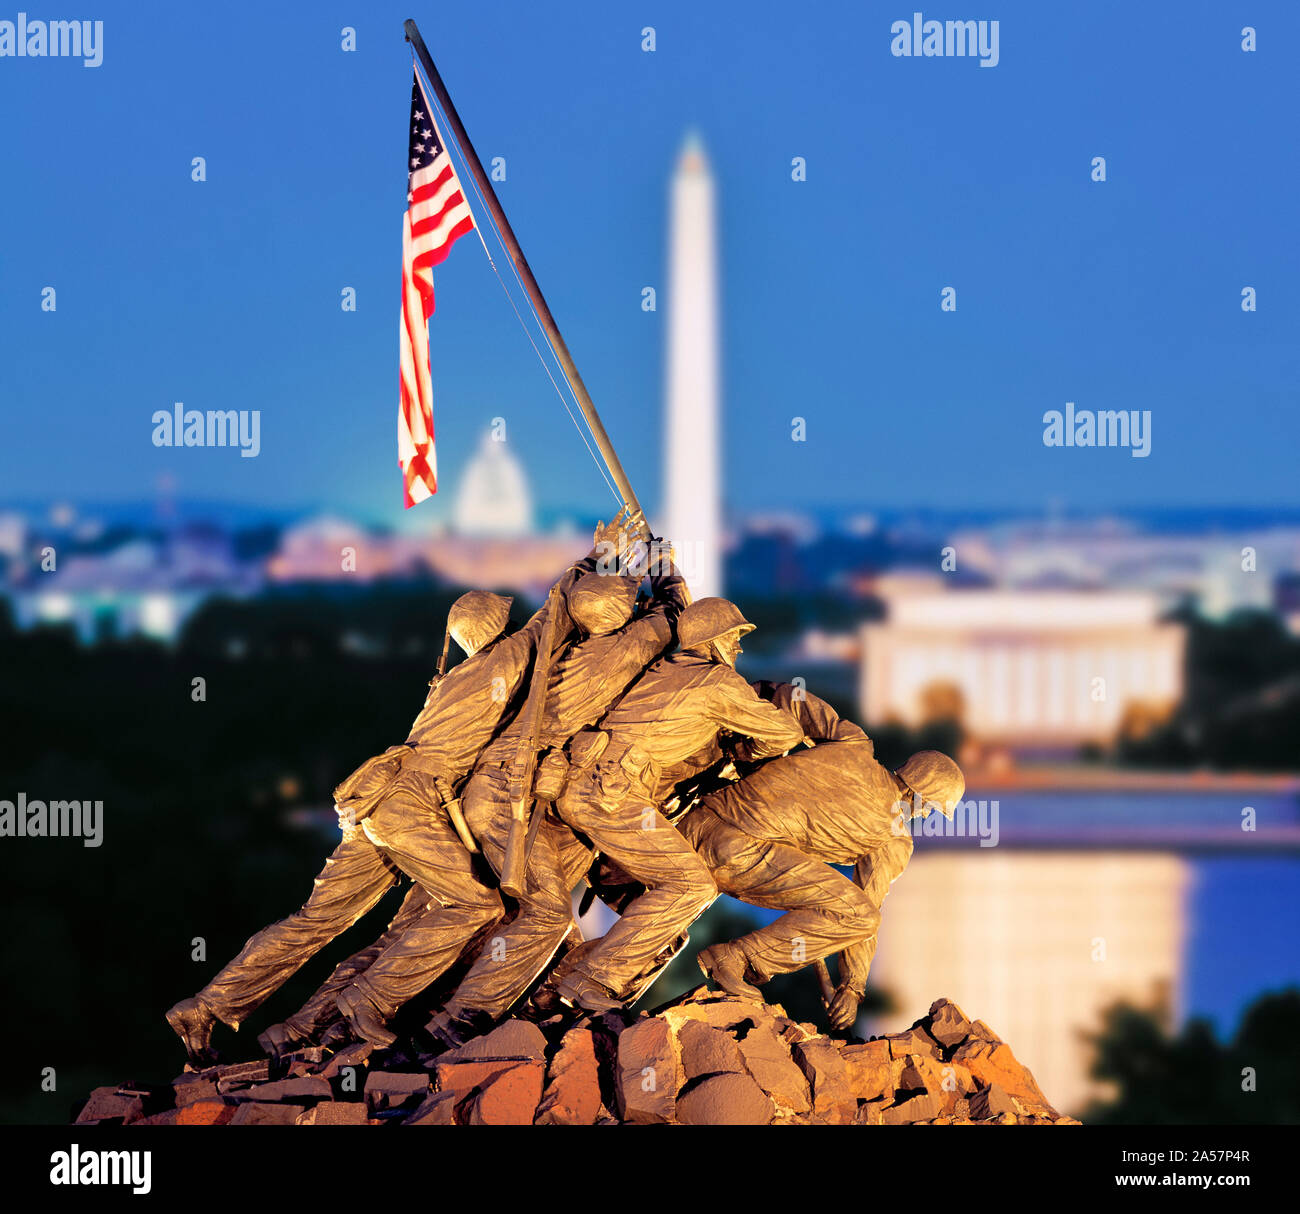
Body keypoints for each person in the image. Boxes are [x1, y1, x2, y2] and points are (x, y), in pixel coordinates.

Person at [164, 526, 617, 1060]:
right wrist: (600, 556)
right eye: (507, 618)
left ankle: (209, 1006)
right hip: (409, 803)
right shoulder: (499, 664)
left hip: (374, 804)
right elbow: (553, 618)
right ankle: (369, 1003)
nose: (515, 623)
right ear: (496, 628)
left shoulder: (455, 675)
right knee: (474, 903)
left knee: (316, 920)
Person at [428, 545, 690, 1044]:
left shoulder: (557, 652)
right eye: (627, 607)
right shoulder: (618, 653)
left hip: (515, 792)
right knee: (545, 912)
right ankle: (462, 1019)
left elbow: (557, 606)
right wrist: (662, 566)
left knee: (542, 914)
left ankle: (534, 1007)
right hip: (510, 795)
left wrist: (596, 560)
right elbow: (673, 615)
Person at [548, 597, 807, 1013]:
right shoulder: (717, 683)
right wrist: (743, 748)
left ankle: (582, 981)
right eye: (734, 639)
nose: (738, 649)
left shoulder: (663, 670)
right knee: (692, 886)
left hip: (587, 784)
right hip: (612, 794)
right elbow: (783, 733)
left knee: (654, 908)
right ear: (714, 641)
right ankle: (590, 980)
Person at [681, 683, 965, 1031]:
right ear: (922, 796)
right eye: (933, 809)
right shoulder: (893, 839)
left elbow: (789, 697)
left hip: (693, 822)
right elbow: (865, 916)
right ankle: (735, 957)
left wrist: (753, 739)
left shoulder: (853, 742)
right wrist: (853, 987)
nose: (927, 816)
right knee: (859, 916)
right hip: (734, 854)